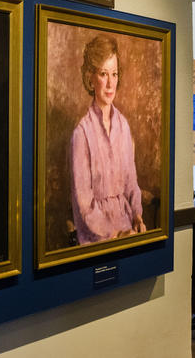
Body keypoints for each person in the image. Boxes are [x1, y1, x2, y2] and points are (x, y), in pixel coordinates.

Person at [70, 35, 146, 245]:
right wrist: (115, 234)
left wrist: (137, 216)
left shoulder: (123, 125)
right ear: (90, 79)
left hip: (127, 227)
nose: (111, 83)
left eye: (115, 74)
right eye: (104, 74)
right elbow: (84, 204)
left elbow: (131, 183)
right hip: (96, 236)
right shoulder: (82, 133)